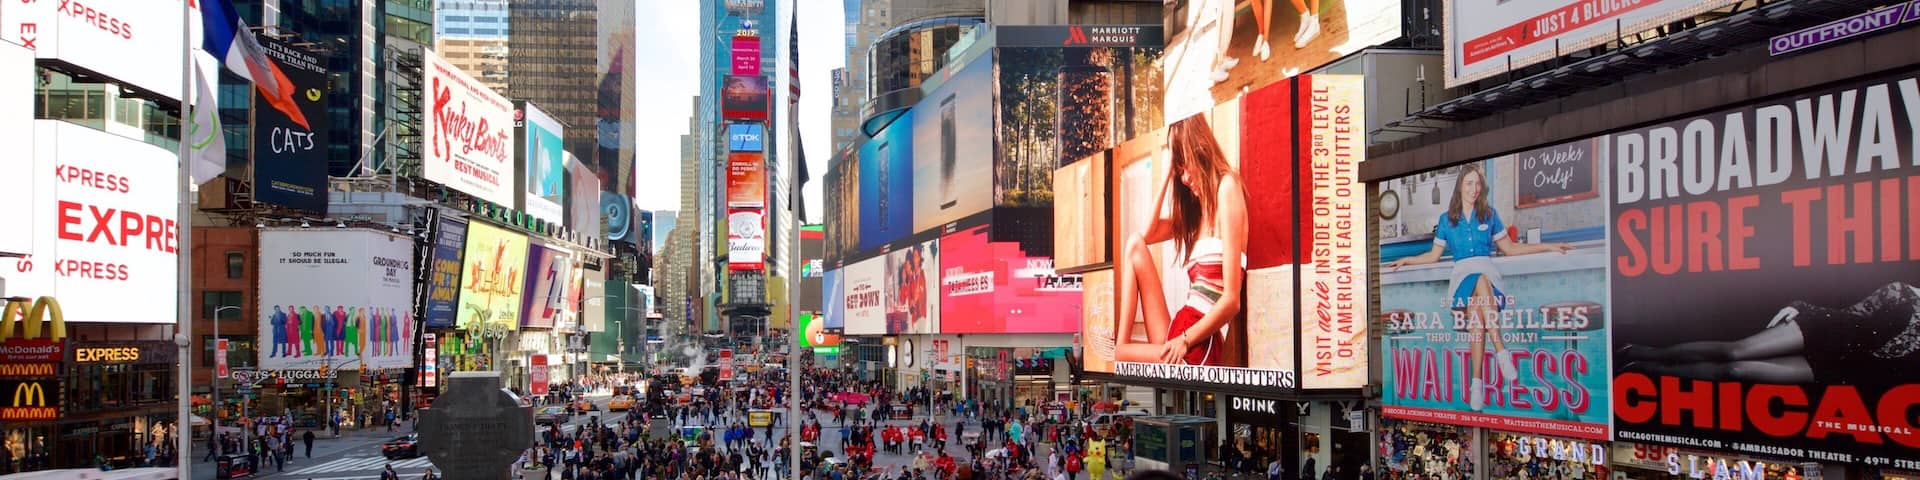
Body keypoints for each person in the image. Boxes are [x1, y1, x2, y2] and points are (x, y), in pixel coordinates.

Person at [1385, 164, 1574, 411]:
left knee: (1478, 312)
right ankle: (1500, 350)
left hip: (1489, 278)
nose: (1474, 189)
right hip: (1462, 277)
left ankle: (1477, 383)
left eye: (1478, 184)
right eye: (1469, 183)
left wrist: (1548, 246)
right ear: (1460, 186)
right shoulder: (1447, 220)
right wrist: (1407, 259)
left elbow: (1510, 248)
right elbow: (1433, 256)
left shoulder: (1490, 215)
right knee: (1479, 280)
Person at [1112, 115, 1249, 367]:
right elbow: (1147, 234)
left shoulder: (1228, 187)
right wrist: (1167, 175)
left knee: (1121, 354)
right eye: (1179, 170)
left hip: (1198, 342)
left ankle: (1122, 349)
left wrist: (1185, 340)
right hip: (1180, 331)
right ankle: (1122, 345)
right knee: (1134, 245)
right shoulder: (1196, 215)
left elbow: (1231, 300)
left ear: (1201, 150)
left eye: (1186, 166)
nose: (1184, 178)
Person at [1617, 281, 1920, 384]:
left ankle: (1642, 368)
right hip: (1829, 331)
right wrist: (1801, 306)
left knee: (1736, 370)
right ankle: (1638, 351)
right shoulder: (1903, 292)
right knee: (1733, 351)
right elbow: (1856, 312)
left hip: (1846, 365)